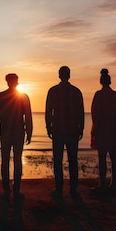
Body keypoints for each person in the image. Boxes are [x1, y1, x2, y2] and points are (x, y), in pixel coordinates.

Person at [0, 73, 33, 198]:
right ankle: (16, 189)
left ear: (7, 82)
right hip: (18, 131)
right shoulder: (23, 97)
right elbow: (28, 116)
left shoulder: (1, 96)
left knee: (5, 160)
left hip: (6, 131)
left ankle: (7, 189)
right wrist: (29, 131)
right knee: (17, 160)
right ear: (16, 82)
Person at [45, 66, 84, 198]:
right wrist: (81, 128)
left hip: (58, 129)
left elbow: (48, 110)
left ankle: (59, 188)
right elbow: (81, 112)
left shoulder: (53, 91)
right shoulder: (76, 91)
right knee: (73, 160)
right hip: (72, 130)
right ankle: (73, 188)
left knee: (58, 161)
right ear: (69, 75)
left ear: (59, 75)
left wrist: (48, 126)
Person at [90, 68, 116, 193]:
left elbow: (94, 114)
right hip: (113, 130)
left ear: (101, 81)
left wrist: (96, 129)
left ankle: (102, 184)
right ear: (109, 82)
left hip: (102, 131)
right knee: (114, 157)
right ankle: (113, 184)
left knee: (102, 158)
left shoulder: (98, 95)